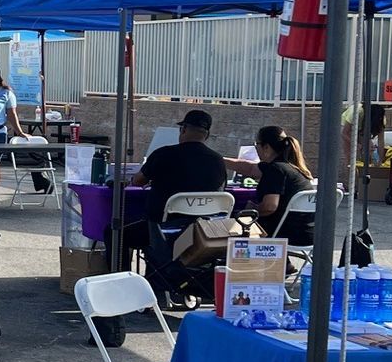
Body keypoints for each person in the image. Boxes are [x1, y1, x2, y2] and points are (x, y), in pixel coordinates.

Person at [125, 107, 229, 258]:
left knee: (114, 233)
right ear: (207, 135)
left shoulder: (163, 154)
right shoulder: (218, 160)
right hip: (203, 232)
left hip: (161, 229)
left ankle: (123, 278)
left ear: (184, 129)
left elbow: (138, 181)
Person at [224, 125, 313, 244]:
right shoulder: (292, 168)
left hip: (285, 234)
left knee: (230, 224)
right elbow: (250, 168)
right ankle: (285, 263)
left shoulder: (275, 170)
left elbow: (270, 207)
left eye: (257, 145)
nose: (256, 148)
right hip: (309, 232)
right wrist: (218, 160)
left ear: (266, 147)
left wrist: (252, 209)